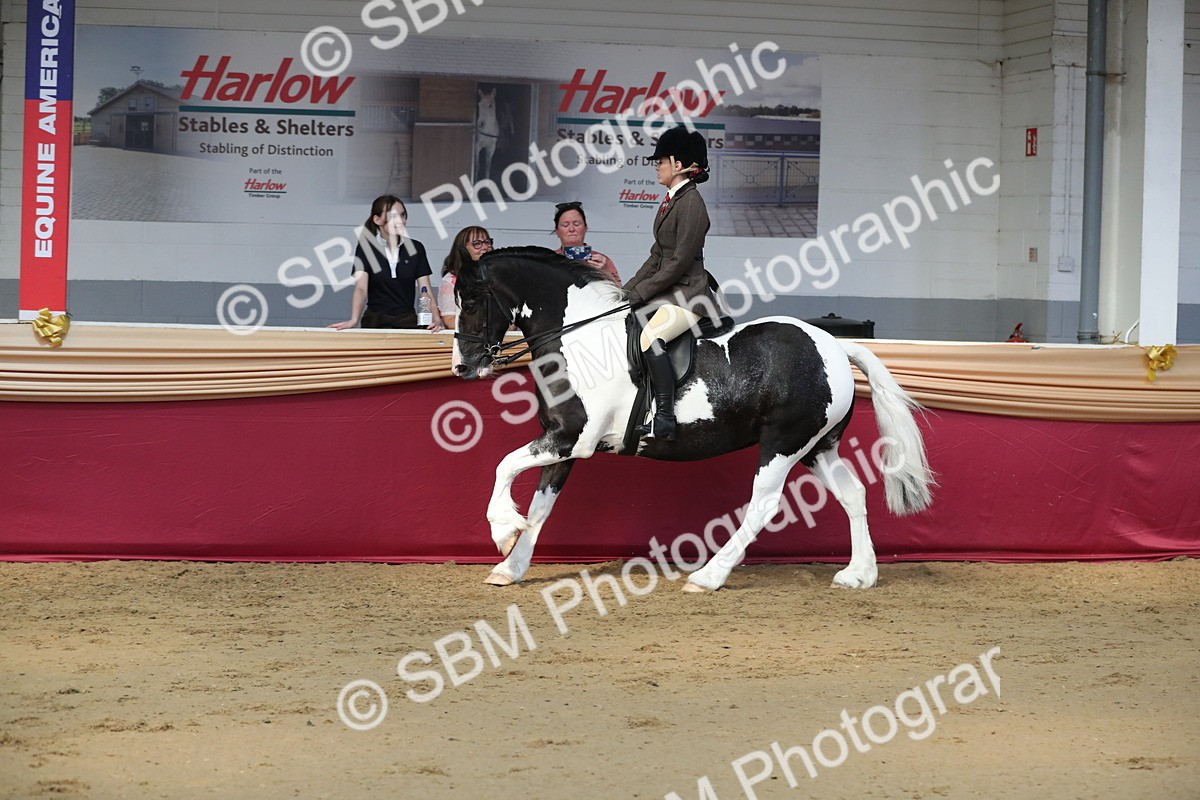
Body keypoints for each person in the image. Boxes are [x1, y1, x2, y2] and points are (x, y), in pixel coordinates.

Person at [623, 125, 722, 441]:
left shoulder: (692, 203)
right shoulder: (671, 201)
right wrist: (626, 291)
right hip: (670, 292)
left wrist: (644, 291)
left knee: (651, 337)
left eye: (661, 160)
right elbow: (656, 255)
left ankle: (665, 416)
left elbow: (678, 262)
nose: (657, 165)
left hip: (689, 295)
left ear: (679, 165)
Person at [329, 195, 445, 331]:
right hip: (374, 323)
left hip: (407, 322)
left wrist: (437, 320)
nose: (401, 221)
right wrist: (354, 319)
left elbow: (425, 290)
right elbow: (361, 289)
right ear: (377, 220)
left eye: (403, 215)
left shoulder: (416, 248)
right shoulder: (366, 248)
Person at [438, 226, 494, 329]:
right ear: (463, 249)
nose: (485, 247)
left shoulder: (499, 276)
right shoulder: (451, 281)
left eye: (487, 242)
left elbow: (512, 320)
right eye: (477, 243)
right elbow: (450, 321)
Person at [551, 201, 619, 283]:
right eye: (565, 225)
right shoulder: (549, 259)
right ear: (557, 231)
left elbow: (620, 293)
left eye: (576, 224)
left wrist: (606, 273)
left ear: (585, 228)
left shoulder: (601, 261)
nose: (571, 229)